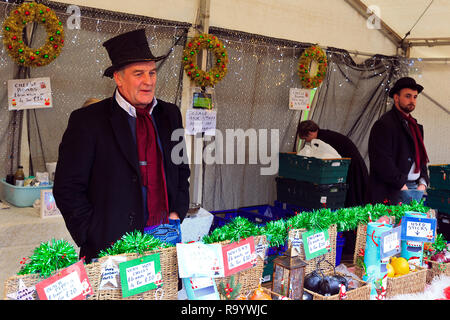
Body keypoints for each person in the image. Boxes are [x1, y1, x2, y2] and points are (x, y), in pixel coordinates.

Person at [53, 29, 190, 263]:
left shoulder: (170, 115)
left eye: (152, 72)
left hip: (163, 238)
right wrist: (92, 232)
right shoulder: (88, 120)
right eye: (139, 74)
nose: (148, 81)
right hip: (111, 245)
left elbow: (181, 170)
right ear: (118, 78)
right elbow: (68, 187)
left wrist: (177, 212)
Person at [367, 77, 429, 205]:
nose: (412, 101)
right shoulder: (384, 124)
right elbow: (381, 160)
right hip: (391, 190)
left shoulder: (416, 126)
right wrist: (402, 185)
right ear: (396, 98)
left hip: (414, 188)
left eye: (415, 97)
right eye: (408, 96)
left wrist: (423, 182)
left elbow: (420, 156)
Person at [297, 120, 369, 208]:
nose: (306, 141)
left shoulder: (321, 140)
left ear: (310, 133)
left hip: (352, 164)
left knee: (353, 193)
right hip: (351, 162)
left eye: (305, 138)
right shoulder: (324, 134)